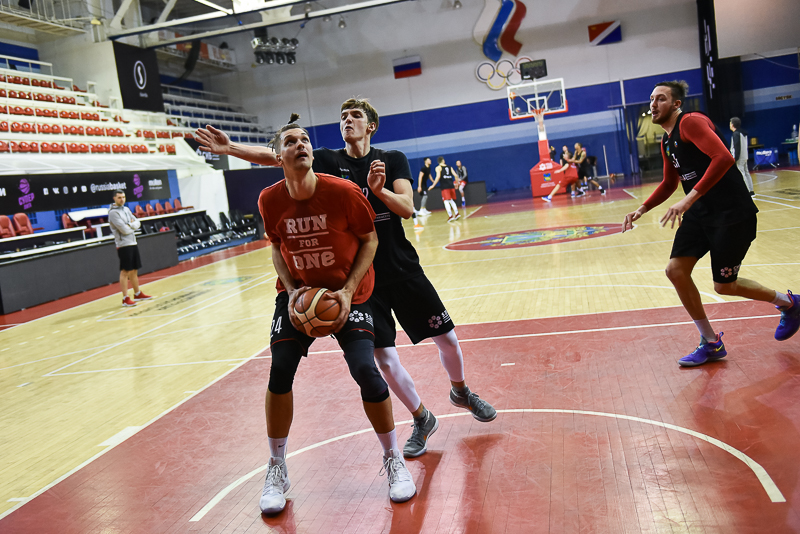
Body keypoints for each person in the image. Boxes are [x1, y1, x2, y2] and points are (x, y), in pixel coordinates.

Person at [195, 99, 497, 460]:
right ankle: (421, 418)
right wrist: (230, 148)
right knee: (384, 360)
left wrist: (379, 190)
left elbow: (407, 208)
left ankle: (460, 391)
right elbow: (278, 157)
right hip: (362, 279)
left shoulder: (391, 159)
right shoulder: (326, 160)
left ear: (371, 126)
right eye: (342, 117)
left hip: (401, 267)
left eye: (355, 116)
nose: (347, 121)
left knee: (446, 338)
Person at [256, 118, 415, 514]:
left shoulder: (343, 192)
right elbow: (276, 245)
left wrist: (346, 291)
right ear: (279, 157)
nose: (301, 144)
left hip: (349, 292)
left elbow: (370, 240)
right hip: (299, 294)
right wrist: (291, 290)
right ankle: (276, 467)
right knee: (280, 368)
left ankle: (393, 458)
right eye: (290, 141)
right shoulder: (269, 199)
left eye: (305, 139)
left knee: (365, 369)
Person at [622, 80, 800, 366]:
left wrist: (689, 199)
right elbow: (669, 183)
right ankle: (711, 342)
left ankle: (789, 303)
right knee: (675, 271)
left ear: (676, 104)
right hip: (700, 213)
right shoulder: (667, 141)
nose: (653, 104)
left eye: (661, 98)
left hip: (732, 213)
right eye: (652, 99)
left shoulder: (690, 122)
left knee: (724, 286)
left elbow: (723, 157)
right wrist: (641, 209)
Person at [108, 190, 151, 307]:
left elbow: (138, 223)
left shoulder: (126, 209)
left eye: (123, 197)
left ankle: (137, 293)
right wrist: (131, 225)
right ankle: (125, 298)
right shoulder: (113, 213)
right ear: (114, 198)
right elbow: (124, 230)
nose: (122, 199)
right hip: (123, 245)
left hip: (133, 242)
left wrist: (130, 225)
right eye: (119, 197)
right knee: (125, 271)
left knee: (134, 269)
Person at [430, 156, 460, 221]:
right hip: (451, 185)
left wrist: (433, 185)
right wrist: (456, 184)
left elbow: (438, 177)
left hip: (445, 186)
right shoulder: (449, 167)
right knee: (451, 200)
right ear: (443, 160)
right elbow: (456, 175)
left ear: (438, 162)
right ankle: (457, 213)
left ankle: (450, 216)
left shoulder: (438, 167)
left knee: (446, 201)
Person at [729, 117, 754, 195]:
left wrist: (735, 158)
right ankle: (751, 190)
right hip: (745, 155)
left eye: (730, 123)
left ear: (732, 124)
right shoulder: (743, 132)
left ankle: (746, 191)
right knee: (746, 172)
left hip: (739, 157)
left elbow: (737, 146)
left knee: (742, 173)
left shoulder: (736, 134)